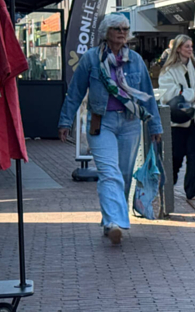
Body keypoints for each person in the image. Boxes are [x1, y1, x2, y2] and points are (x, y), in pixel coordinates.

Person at [58, 13, 162, 245]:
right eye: (117, 28)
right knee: (109, 172)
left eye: (125, 29)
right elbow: (75, 92)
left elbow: (148, 96)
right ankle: (114, 222)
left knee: (123, 175)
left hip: (130, 123)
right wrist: (65, 121)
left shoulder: (135, 60)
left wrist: (155, 125)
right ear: (107, 32)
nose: (122, 33)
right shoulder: (91, 60)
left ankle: (111, 218)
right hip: (101, 122)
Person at [159, 35, 195, 201]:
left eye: (191, 46)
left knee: (194, 157)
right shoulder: (169, 69)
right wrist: (193, 94)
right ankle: (170, 183)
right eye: (187, 47)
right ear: (178, 49)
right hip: (177, 121)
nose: (190, 49)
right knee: (176, 157)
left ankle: (192, 191)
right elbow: (167, 93)